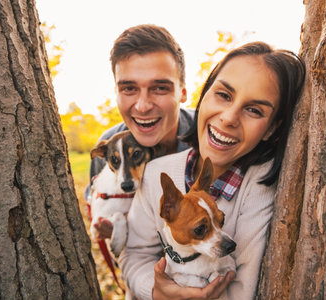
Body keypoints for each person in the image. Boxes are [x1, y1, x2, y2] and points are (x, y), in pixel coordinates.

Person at [119, 41, 306, 299]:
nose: (229, 118)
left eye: (254, 110)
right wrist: (154, 290)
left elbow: (243, 288)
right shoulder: (155, 173)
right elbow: (134, 255)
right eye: (224, 95)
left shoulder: (260, 187)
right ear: (204, 94)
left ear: (272, 129)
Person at [85, 24, 195, 238]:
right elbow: (96, 201)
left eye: (160, 88)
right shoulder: (108, 144)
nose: (143, 105)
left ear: (182, 92)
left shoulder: (209, 136)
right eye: (129, 88)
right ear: (116, 93)